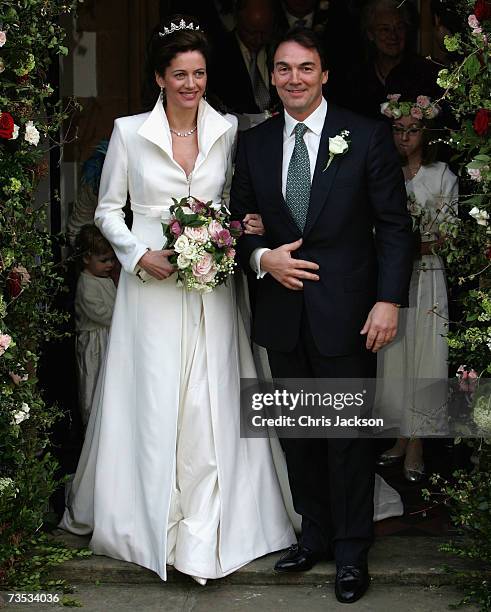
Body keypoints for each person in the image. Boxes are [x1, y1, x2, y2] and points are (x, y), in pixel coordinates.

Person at [59, 15, 295, 584]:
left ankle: (215, 522)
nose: (192, 84)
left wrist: (244, 226)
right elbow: (108, 211)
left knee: (209, 397)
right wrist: (138, 255)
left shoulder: (227, 129)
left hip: (211, 288)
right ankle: (151, 517)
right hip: (152, 289)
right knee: (157, 392)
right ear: (160, 78)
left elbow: (239, 200)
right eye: (180, 74)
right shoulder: (127, 131)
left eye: (199, 73)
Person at [230, 26, 413, 603]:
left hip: (350, 314)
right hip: (282, 313)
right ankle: (314, 537)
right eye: (283, 69)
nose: (293, 79)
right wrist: (262, 259)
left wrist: (388, 300)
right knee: (299, 435)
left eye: (304, 68)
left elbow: (394, 226)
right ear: (273, 77)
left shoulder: (365, 136)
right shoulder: (255, 145)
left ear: (324, 74)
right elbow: (236, 225)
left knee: (347, 439)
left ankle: (353, 553)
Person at [376, 95, 458, 481]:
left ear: (426, 133)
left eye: (413, 130)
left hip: (428, 274)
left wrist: (406, 244)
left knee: (426, 353)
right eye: (398, 130)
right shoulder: (381, 172)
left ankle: (418, 441)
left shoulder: (442, 175)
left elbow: (449, 235)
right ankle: (399, 434)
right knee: (394, 354)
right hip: (392, 276)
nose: (404, 138)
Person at [338, 0, 440, 118]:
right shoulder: (356, 78)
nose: (393, 36)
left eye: (399, 28)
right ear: (370, 34)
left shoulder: (428, 73)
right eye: (384, 29)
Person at [74, 225, 117, 429]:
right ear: (86, 258)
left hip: (109, 336)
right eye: (103, 260)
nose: (109, 264)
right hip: (94, 342)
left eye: (111, 259)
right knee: (92, 384)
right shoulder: (86, 283)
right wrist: (122, 317)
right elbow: (99, 313)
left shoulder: (104, 278)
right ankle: (91, 429)